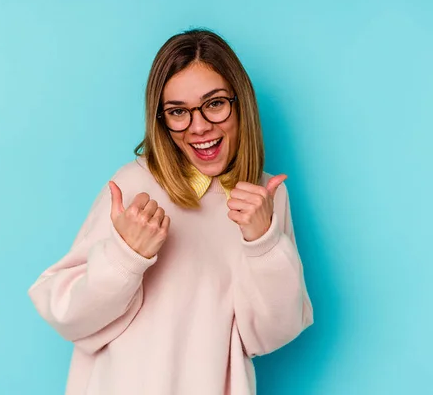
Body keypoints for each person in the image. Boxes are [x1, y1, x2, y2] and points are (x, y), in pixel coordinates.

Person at [28, 28, 314, 395]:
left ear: (239, 102)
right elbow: (67, 315)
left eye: (214, 104)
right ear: (162, 120)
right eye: (178, 112)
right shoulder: (134, 185)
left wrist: (262, 242)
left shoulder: (265, 196)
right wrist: (125, 257)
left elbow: (270, 335)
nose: (199, 127)